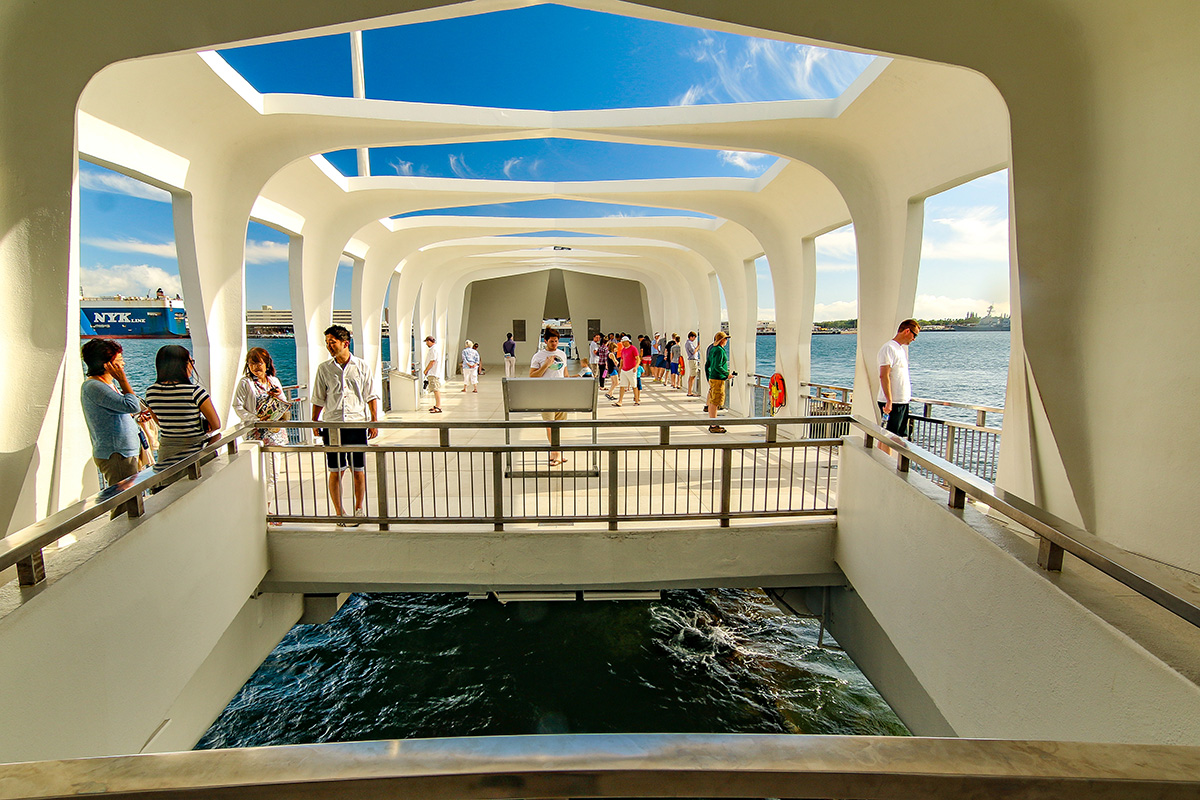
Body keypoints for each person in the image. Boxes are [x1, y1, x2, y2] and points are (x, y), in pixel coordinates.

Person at [311, 325, 380, 525]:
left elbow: (370, 395)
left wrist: (373, 422)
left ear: (345, 343)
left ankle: (359, 508)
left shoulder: (361, 366)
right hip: (332, 425)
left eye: (332, 342)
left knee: (358, 469)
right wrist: (314, 422)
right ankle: (339, 512)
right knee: (336, 470)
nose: (329, 346)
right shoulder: (324, 369)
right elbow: (318, 397)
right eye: (327, 343)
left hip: (356, 424)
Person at [233, 347, 289, 523]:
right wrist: (254, 418)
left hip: (274, 433)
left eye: (258, 362)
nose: (255, 366)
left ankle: (267, 509)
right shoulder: (245, 383)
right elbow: (238, 405)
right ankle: (263, 511)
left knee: (273, 474)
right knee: (258, 473)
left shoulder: (274, 381)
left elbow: (284, 405)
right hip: (256, 434)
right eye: (251, 363)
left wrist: (279, 396)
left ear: (266, 364)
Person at [145, 344, 222, 467]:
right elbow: (216, 425)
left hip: (166, 455)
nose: (192, 365)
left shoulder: (151, 392)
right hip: (194, 453)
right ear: (182, 365)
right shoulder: (195, 392)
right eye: (191, 361)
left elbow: (160, 422)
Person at [80, 339, 143, 487]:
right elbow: (132, 405)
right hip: (117, 454)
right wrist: (122, 380)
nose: (123, 364)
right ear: (106, 364)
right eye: (119, 360)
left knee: (132, 498)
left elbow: (127, 409)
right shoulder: (95, 387)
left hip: (123, 452)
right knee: (126, 502)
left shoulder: (104, 385)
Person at [529, 326, 572, 466]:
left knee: (558, 425)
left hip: (561, 393)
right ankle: (557, 453)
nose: (554, 344)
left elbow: (565, 373)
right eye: (552, 341)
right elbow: (532, 375)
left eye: (556, 341)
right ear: (545, 341)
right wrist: (546, 365)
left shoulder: (562, 354)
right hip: (546, 394)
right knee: (549, 424)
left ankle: (554, 452)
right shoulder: (538, 356)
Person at [878, 319, 921, 437]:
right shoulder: (889, 348)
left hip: (901, 401)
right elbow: (884, 375)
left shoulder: (900, 349)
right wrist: (889, 401)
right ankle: (885, 456)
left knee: (897, 437)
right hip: (893, 402)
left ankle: (889, 456)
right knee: (888, 437)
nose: (914, 339)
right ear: (907, 331)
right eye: (914, 335)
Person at [704, 331, 731, 433]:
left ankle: (713, 422)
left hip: (713, 378)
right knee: (715, 402)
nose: (726, 341)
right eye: (725, 339)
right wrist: (727, 373)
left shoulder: (712, 349)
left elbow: (708, 364)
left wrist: (708, 376)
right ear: (722, 340)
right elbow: (717, 366)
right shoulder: (719, 350)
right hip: (718, 379)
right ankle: (714, 425)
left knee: (712, 401)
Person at [613, 335, 641, 407]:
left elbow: (638, 359)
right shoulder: (623, 350)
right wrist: (620, 367)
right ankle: (620, 401)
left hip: (631, 369)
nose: (622, 344)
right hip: (624, 370)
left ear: (628, 342)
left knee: (634, 385)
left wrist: (636, 367)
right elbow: (622, 359)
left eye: (624, 342)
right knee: (622, 385)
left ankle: (637, 400)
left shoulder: (633, 349)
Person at [423, 335, 443, 412]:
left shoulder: (434, 349)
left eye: (426, 342)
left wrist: (426, 370)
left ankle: (438, 406)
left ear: (429, 341)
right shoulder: (434, 349)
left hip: (433, 372)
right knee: (434, 389)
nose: (426, 344)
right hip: (433, 372)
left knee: (436, 389)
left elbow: (432, 361)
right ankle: (437, 405)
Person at [684, 331, 701, 396]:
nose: (694, 339)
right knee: (692, 376)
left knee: (692, 375)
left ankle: (690, 391)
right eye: (694, 337)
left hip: (692, 360)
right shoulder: (689, 343)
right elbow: (693, 351)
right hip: (693, 360)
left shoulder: (688, 343)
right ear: (691, 337)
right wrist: (698, 346)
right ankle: (690, 391)